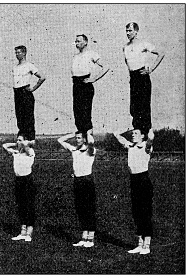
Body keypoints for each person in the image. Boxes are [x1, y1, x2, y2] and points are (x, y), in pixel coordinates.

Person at [114, 127, 155, 255]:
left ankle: (146, 245)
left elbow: (151, 139)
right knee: (136, 212)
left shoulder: (146, 146)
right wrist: (129, 127)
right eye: (132, 133)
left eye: (136, 133)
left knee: (145, 212)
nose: (133, 135)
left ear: (142, 136)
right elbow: (116, 134)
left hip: (143, 180)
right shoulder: (130, 146)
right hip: (134, 180)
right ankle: (139, 244)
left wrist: (148, 128)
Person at [123, 22, 165, 133]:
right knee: (134, 108)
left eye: (130, 30)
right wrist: (132, 75)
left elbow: (161, 53)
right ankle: (138, 135)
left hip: (142, 77)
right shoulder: (125, 47)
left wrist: (151, 69)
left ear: (136, 32)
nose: (128, 33)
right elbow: (127, 61)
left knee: (144, 107)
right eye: (126, 31)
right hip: (133, 78)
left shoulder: (143, 44)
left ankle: (146, 136)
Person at [58, 131, 97, 248]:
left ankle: (91, 238)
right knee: (81, 209)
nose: (77, 140)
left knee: (89, 208)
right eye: (76, 138)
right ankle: (84, 237)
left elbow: (91, 143)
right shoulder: (74, 150)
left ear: (85, 140)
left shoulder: (90, 150)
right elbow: (60, 140)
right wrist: (72, 134)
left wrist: (86, 132)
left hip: (87, 181)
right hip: (77, 181)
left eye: (79, 138)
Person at [72, 34, 109, 138]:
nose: (76, 43)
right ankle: (82, 142)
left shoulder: (91, 54)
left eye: (79, 41)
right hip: (76, 85)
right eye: (76, 41)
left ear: (85, 42)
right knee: (77, 115)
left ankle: (90, 144)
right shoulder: (75, 56)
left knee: (85, 115)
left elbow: (106, 66)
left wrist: (94, 78)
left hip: (85, 85)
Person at [3, 136, 36, 242]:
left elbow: (28, 148)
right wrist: (16, 143)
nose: (18, 141)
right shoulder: (16, 152)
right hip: (18, 181)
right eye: (17, 139)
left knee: (29, 205)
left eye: (20, 139)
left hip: (27, 181)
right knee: (21, 205)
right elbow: (4, 146)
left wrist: (25, 143)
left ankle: (29, 233)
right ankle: (22, 231)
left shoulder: (30, 151)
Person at [12, 45, 46, 142]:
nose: (17, 54)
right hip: (17, 93)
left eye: (19, 52)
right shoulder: (15, 67)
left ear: (24, 53)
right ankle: (22, 137)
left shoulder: (29, 65)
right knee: (19, 116)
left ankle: (31, 138)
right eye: (16, 53)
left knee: (28, 116)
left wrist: (33, 88)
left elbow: (42, 77)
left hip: (25, 92)